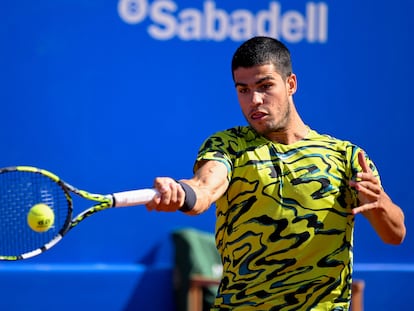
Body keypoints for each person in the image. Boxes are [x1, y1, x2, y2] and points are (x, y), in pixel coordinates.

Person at [145, 36, 406, 310]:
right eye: (243, 90)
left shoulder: (347, 157)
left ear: (290, 84)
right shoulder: (228, 145)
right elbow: (204, 188)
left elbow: (395, 234)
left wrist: (380, 204)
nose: (254, 100)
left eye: (265, 86)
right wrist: (182, 193)